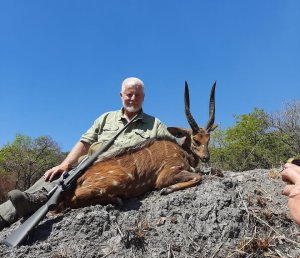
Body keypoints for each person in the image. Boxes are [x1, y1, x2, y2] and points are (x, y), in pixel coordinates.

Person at [0, 77, 174, 230]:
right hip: (89, 165)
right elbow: (84, 143)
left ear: (143, 98)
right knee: (55, 175)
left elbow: (172, 147)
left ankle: (38, 201)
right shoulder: (106, 118)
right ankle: (5, 215)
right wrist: (65, 164)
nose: (133, 98)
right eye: (129, 94)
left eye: (137, 95)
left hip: (119, 174)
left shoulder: (155, 124)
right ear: (121, 95)